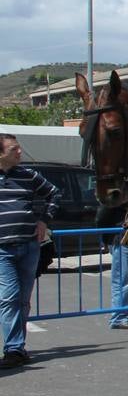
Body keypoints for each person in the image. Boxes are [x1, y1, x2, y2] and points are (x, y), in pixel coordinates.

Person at [0, 133, 57, 368]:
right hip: (3, 249)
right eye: (14, 149)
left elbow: (53, 193)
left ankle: (18, 347)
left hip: (29, 246)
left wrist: (44, 220)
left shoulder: (28, 175)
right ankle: (13, 348)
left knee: (22, 299)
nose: (20, 152)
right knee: (9, 297)